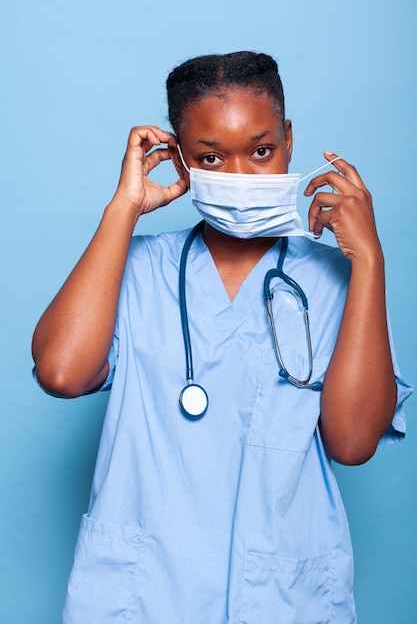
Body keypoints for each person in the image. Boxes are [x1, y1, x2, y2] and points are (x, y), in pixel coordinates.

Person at [32, 51, 412, 623]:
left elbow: (353, 443)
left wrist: (370, 261)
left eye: (261, 151)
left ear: (288, 138)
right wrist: (124, 209)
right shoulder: (133, 270)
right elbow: (61, 373)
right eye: (211, 157)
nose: (239, 177)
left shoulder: (336, 282)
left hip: (283, 598)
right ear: (182, 160)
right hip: (143, 598)